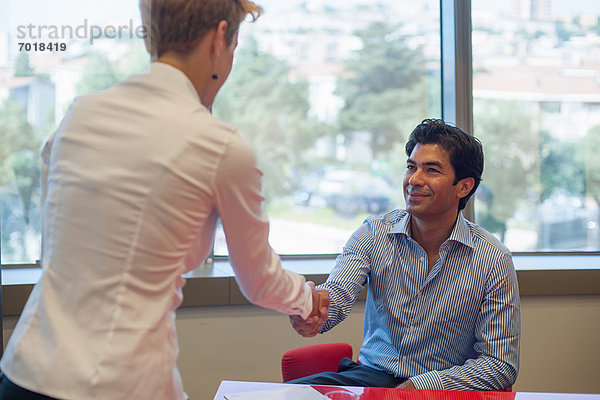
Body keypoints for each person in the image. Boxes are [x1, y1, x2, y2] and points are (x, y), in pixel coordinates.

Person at [0, 1, 328, 399]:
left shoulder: (79, 114)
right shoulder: (219, 145)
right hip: (113, 383)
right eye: (234, 46)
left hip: (24, 372)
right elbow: (258, 280)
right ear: (220, 37)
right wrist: (307, 299)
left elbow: (56, 244)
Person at [289, 118, 520, 391]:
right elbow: (337, 292)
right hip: (372, 378)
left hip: (442, 387)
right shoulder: (373, 233)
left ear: (464, 186)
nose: (414, 180)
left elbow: (500, 365)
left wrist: (420, 387)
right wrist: (314, 312)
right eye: (411, 167)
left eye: (431, 170)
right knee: (286, 395)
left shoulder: (493, 259)